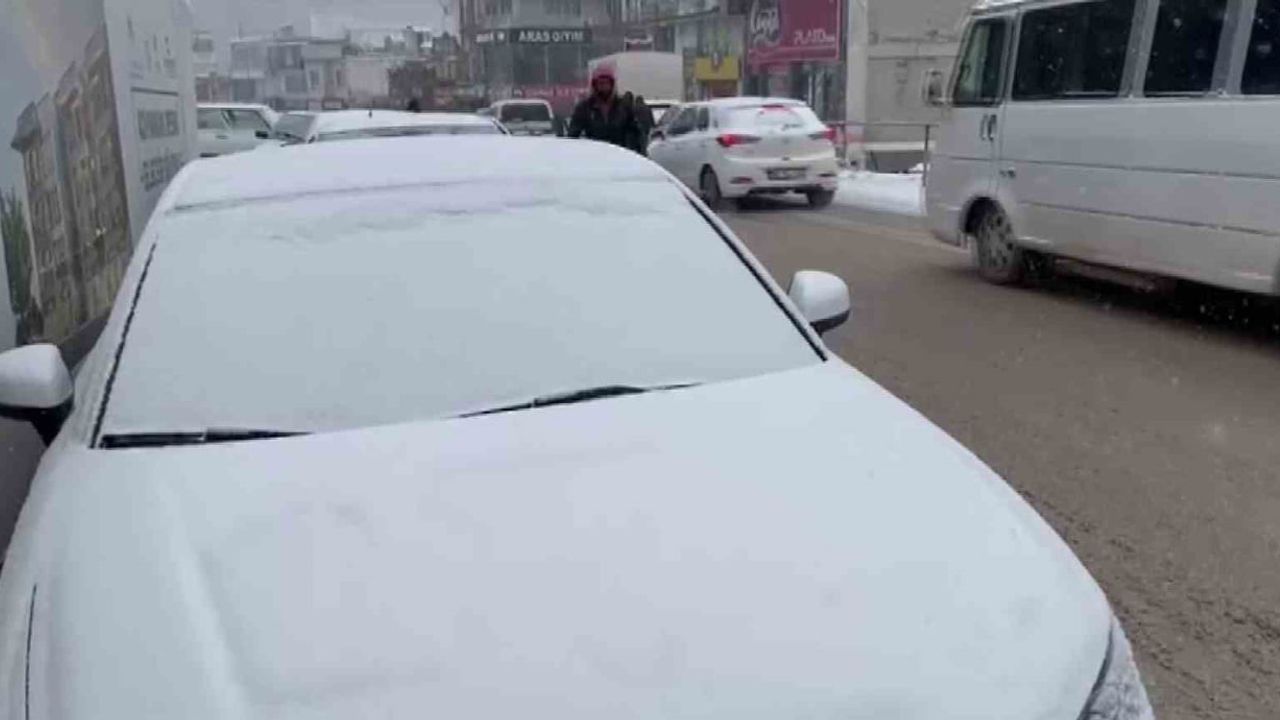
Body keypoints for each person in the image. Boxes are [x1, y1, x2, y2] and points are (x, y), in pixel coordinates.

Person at [566, 65, 643, 153]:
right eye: (601, 83)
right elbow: (573, 136)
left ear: (612, 85)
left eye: (607, 83)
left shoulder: (624, 107)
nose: (604, 87)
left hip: (620, 156)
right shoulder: (584, 108)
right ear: (594, 85)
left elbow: (635, 134)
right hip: (594, 156)